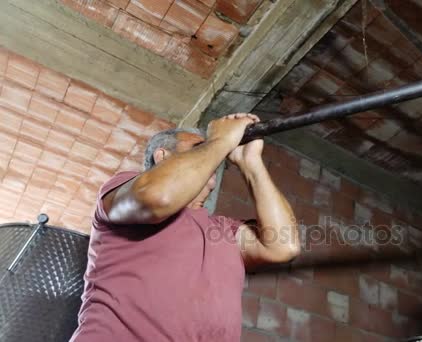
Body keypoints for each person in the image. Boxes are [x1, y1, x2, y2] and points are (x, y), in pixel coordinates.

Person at [70, 113, 301, 342]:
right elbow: (158, 197)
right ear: (162, 156)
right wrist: (220, 140)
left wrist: (251, 164)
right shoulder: (124, 188)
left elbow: (284, 247)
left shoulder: (223, 230)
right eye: (200, 146)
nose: (214, 155)